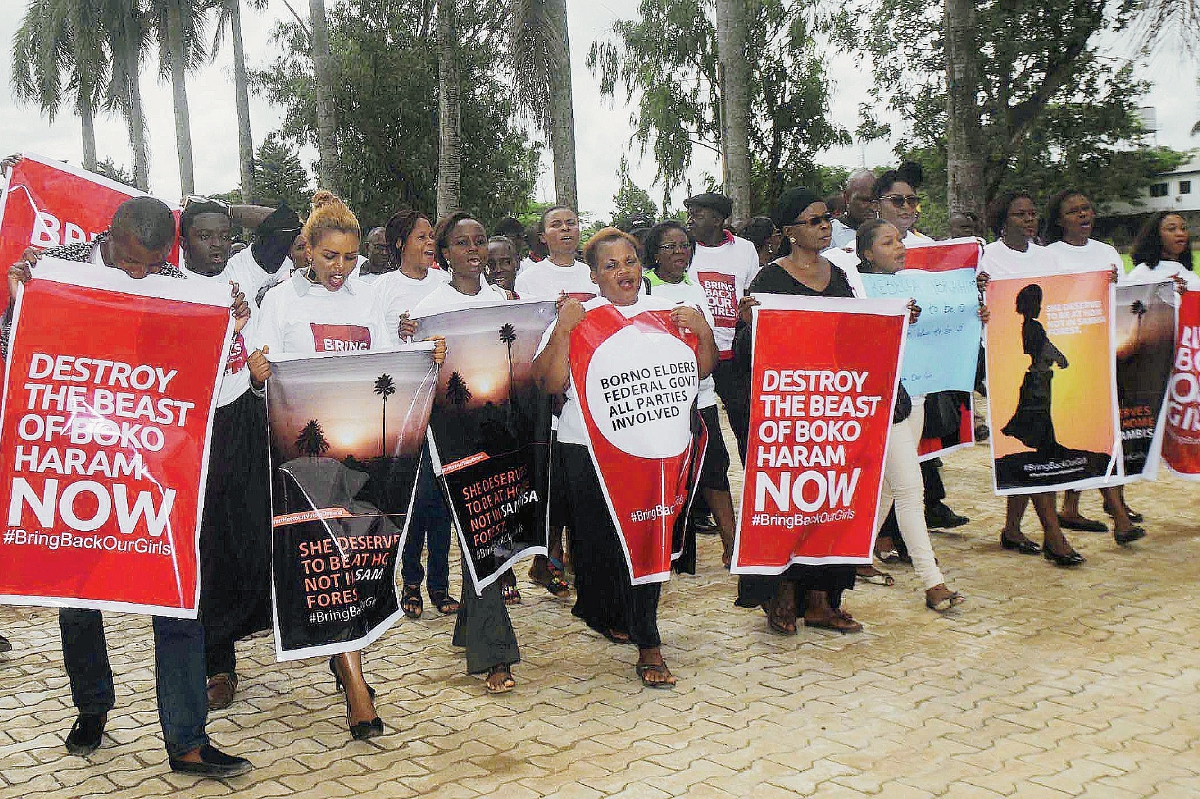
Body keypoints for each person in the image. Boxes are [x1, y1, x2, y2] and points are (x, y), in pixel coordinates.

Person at [5, 196, 252, 777]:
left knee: (176, 598)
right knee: (78, 602)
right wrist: (21, 302)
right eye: (132, 262)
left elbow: (203, 372)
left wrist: (227, 321)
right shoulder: (58, 266)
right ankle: (92, 708)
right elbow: (17, 353)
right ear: (109, 236)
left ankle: (187, 739)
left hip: (155, 468)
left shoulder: (175, 282)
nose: (142, 274)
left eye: (151, 263)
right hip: (77, 466)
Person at [532, 227, 717, 688]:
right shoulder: (578, 318)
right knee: (599, 551)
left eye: (630, 261)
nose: (623, 272)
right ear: (593, 276)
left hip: (656, 455)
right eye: (610, 266)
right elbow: (550, 384)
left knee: (650, 538)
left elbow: (702, 367)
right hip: (590, 454)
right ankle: (605, 609)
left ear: (642, 265)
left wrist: (704, 331)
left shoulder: (670, 315)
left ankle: (649, 642)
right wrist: (564, 329)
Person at [247, 190, 393, 739]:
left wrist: (422, 355)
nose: (340, 268)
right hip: (302, 459)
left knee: (356, 562)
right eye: (330, 256)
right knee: (329, 564)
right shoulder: (281, 301)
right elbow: (263, 378)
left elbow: (387, 367)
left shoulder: (370, 299)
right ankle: (356, 681)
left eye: (350, 258)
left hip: (360, 453)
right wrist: (259, 370)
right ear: (307, 251)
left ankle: (345, 659)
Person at [730, 188, 865, 634]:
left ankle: (823, 600)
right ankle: (781, 595)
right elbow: (751, 353)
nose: (825, 225)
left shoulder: (842, 276)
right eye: (813, 220)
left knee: (830, 502)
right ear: (790, 233)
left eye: (827, 218)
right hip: (785, 413)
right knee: (786, 502)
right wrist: (750, 324)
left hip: (831, 409)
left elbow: (856, 335)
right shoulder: (769, 280)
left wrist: (897, 320)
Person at [408, 213, 523, 693]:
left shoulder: (503, 302)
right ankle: (495, 654)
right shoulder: (428, 309)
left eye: (479, 240)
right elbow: (414, 381)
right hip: (451, 442)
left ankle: (473, 629)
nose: (473, 250)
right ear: (444, 251)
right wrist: (422, 352)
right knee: (481, 539)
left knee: (490, 541)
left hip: (498, 436)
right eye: (461, 242)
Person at [177, 199, 273, 711]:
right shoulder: (168, 285)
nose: (217, 245)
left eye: (223, 235)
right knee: (207, 547)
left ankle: (249, 626)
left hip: (241, 421)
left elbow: (282, 223)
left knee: (252, 539)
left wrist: (229, 208)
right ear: (183, 241)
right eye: (204, 235)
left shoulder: (239, 279)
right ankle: (218, 661)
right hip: (191, 431)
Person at [855, 219, 967, 611]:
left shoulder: (914, 285)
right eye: (888, 242)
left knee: (890, 485)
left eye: (900, 239)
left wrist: (972, 311)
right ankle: (932, 581)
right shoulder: (859, 292)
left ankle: (857, 554)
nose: (899, 246)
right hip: (888, 403)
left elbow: (949, 324)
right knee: (909, 490)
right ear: (867, 253)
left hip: (916, 397)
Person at [979, 191, 1085, 568]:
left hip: (1042, 375)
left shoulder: (1047, 257)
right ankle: (1053, 535)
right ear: (1002, 219)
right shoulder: (986, 258)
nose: (1029, 219)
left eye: (1032, 213)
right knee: (1039, 447)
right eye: (1019, 214)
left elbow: (1072, 297)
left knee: (1031, 449)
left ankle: (1011, 529)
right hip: (1004, 363)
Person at [1043, 190, 1145, 545]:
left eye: (1087, 207)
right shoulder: (1047, 257)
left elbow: (1125, 297)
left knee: (1102, 434)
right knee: (1085, 436)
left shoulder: (1106, 252)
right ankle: (1117, 516)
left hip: (1103, 354)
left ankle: (1078, 509)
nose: (1083, 214)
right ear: (1058, 220)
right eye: (1074, 211)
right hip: (1068, 360)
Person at [872, 169, 970, 534]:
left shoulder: (933, 249)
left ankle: (899, 530)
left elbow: (951, 306)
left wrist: (971, 296)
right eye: (898, 200)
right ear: (877, 204)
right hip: (882, 375)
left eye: (912, 200)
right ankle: (882, 536)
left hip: (921, 374)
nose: (907, 207)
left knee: (911, 457)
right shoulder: (851, 253)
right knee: (887, 461)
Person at [642, 220, 736, 568]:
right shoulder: (643, 289)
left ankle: (732, 542)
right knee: (667, 476)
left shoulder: (694, 288)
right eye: (670, 247)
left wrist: (700, 327)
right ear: (654, 253)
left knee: (715, 470)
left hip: (702, 396)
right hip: (661, 399)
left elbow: (706, 342)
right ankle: (669, 551)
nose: (680, 252)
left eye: (684, 246)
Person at [511, 206, 590, 598]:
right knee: (551, 480)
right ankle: (548, 557)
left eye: (571, 223)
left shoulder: (592, 270)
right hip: (549, 390)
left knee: (580, 481)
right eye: (555, 224)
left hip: (592, 389)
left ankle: (579, 558)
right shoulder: (531, 279)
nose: (565, 229)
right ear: (543, 236)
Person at [684, 192, 761, 462]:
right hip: (694, 356)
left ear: (718, 219)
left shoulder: (745, 249)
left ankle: (752, 487)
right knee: (693, 428)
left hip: (732, 356)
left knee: (747, 428)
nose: (690, 220)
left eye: (697, 214)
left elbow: (752, 290)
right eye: (689, 213)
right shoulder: (683, 249)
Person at [1127, 211, 1196, 289]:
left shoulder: (1189, 273)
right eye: (1171, 229)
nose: (1180, 233)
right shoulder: (1141, 274)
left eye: (1183, 228)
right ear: (1156, 235)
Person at [829, 169, 877, 249]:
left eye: (876, 200)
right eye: (864, 200)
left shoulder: (890, 229)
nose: (872, 207)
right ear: (847, 197)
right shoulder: (830, 233)